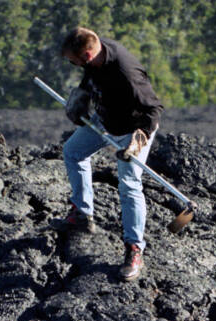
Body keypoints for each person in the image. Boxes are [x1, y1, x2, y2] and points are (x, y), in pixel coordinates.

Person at [55, 27, 164, 281]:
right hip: (105, 120)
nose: (74, 65)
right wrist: (82, 94)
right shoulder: (94, 52)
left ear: (87, 55)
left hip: (134, 130)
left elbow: (154, 109)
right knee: (73, 151)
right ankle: (82, 214)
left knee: (129, 184)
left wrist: (138, 141)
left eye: (75, 62)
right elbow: (90, 76)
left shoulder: (126, 73)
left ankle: (135, 248)